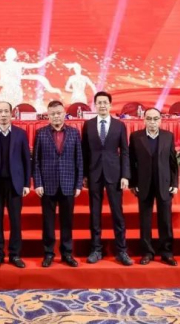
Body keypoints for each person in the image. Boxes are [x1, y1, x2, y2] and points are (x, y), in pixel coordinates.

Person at [81, 91, 133, 266]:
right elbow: (84, 151)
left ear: (110, 105)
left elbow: (125, 151)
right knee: (95, 214)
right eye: (99, 102)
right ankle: (96, 250)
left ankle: (122, 251)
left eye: (105, 102)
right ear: (95, 105)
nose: (102, 105)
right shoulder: (88, 125)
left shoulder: (119, 125)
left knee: (117, 213)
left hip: (114, 174)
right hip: (94, 173)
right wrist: (84, 175)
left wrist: (125, 175)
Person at [32, 100, 83, 268]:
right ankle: (48, 253)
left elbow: (79, 160)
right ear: (48, 115)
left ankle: (67, 253)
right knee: (48, 222)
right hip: (47, 185)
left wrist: (78, 184)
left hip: (68, 183)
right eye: (52, 114)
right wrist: (38, 183)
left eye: (59, 113)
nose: (56, 116)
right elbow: (36, 161)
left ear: (64, 114)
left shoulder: (74, 133)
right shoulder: (41, 133)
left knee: (67, 221)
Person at [0, 101, 31, 269]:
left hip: (15, 183)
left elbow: (26, 160)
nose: (3, 114)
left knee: (15, 221)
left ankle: (15, 254)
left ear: (11, 114)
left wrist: (26, 183)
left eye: (6, 111)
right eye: (0, 111)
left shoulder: (20, 134)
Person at [129, 107, 178, 266]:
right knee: (145, 220)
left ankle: (167, 252)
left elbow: (173, 162)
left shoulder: (168, 136)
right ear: (144, 120)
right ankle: (147, 252)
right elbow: (132, 162)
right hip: (143, 184)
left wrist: (174, 183)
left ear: (160, 120)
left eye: (155, 118)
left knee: (165, 220)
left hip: (164, 183)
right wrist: (133, 183)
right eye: (149, 118)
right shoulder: (136, 137)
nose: (152, 122)